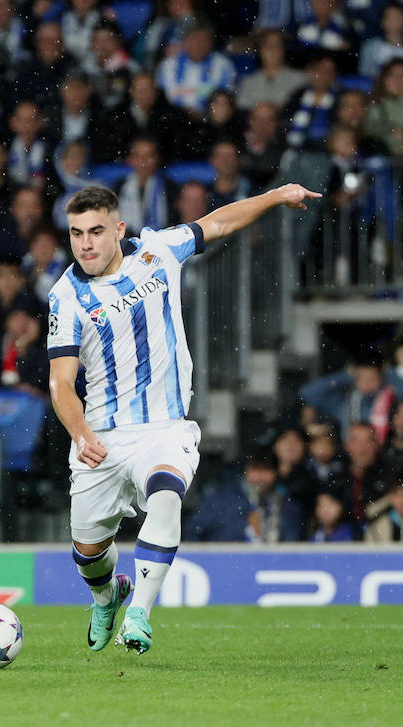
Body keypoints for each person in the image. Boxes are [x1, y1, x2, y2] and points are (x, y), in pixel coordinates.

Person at [46, 181, 319, 655]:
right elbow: (60, 384)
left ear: (118, 229)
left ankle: (139, 615)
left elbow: (219, 222)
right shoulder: (66, 298)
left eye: (95, 231)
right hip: (101, 436)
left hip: (164, 427)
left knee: (166, 495)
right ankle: (109, 597)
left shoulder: (158, 251)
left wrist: (276, 196)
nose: (85, 244)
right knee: (89, 551)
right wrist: (79, 432)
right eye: (75, 234)